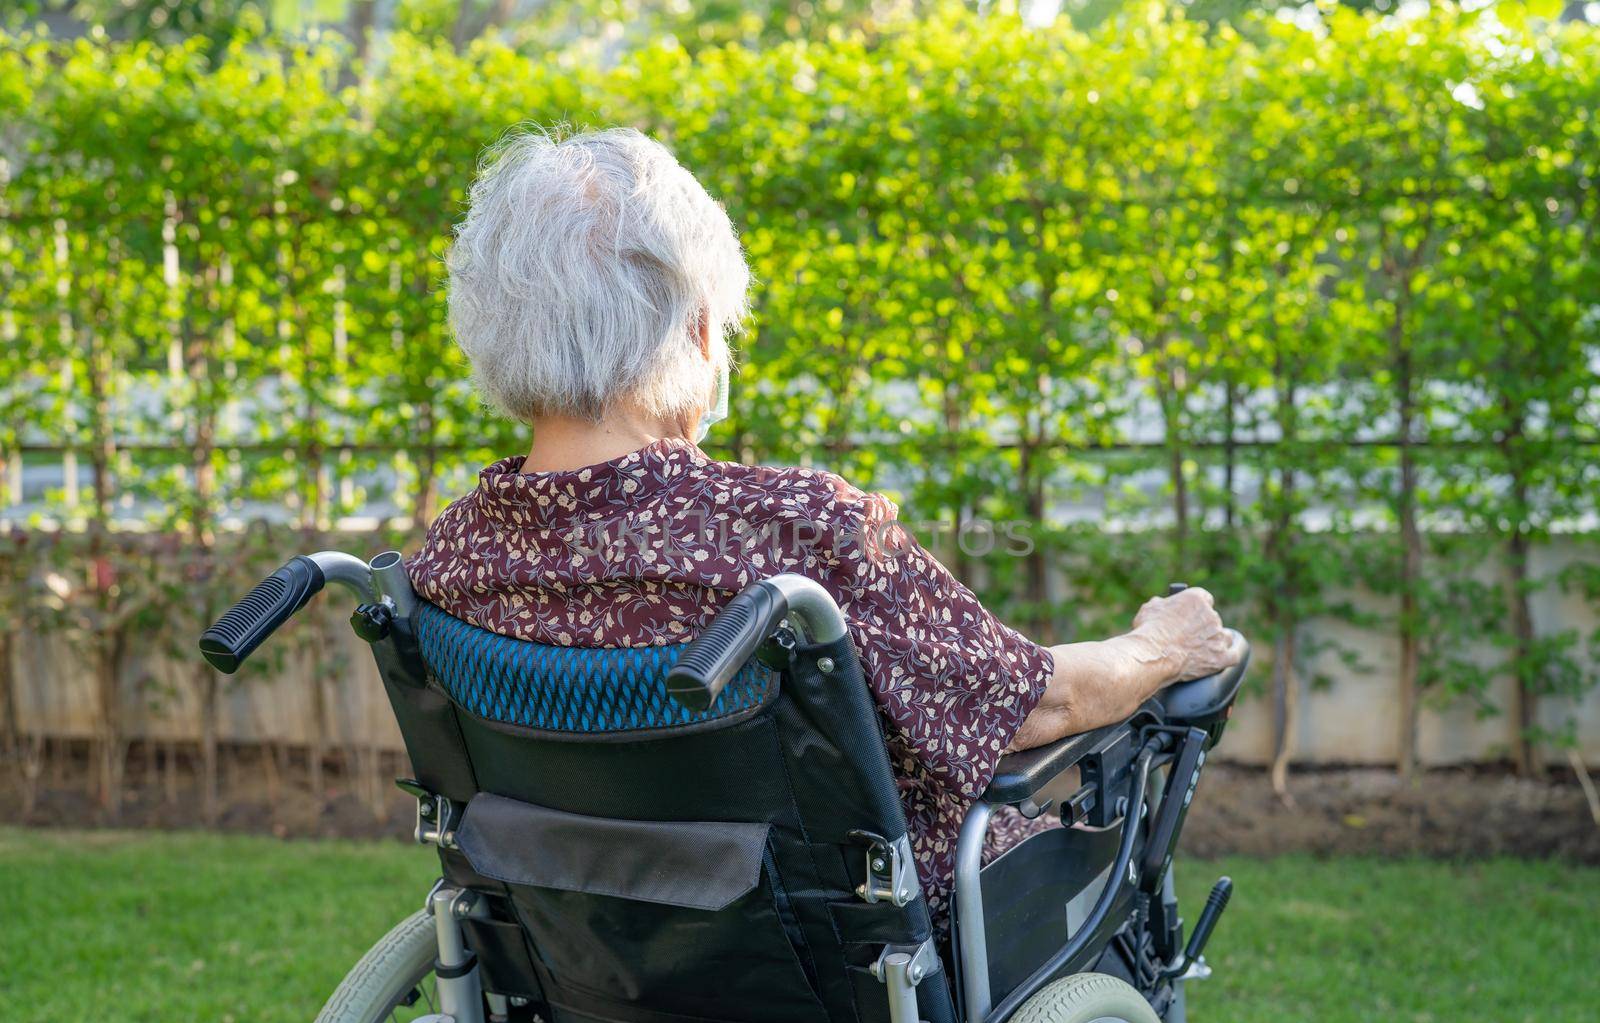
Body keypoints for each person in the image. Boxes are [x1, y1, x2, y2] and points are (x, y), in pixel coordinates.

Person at [408, 127, 1241, 927]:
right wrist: (1165, 644)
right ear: (696, 331)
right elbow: (1031, 704)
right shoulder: (796, 535)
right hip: (852, 958)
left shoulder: (451, 557)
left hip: (597, 946)